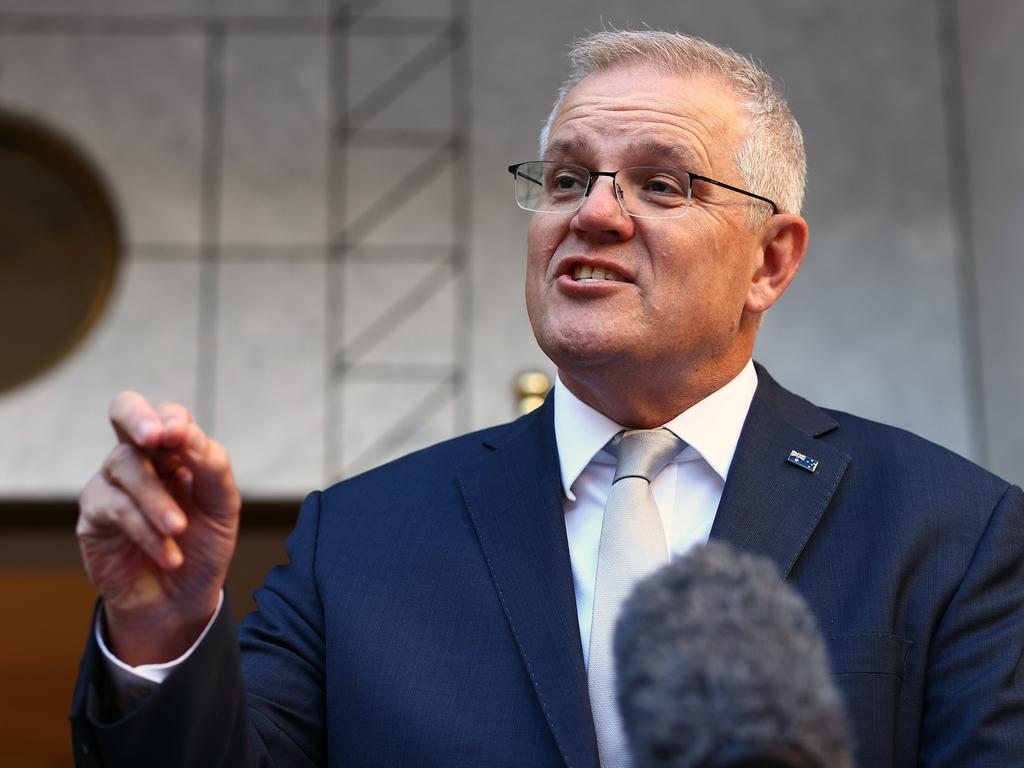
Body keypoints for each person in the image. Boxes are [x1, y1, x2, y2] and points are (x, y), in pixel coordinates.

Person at [70, 29, 1023, 768]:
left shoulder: (950, 531)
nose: (594, 212)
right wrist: (162, 627)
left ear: (770, 261)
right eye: (567, 178)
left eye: (662, 183)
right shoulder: (356, 541)